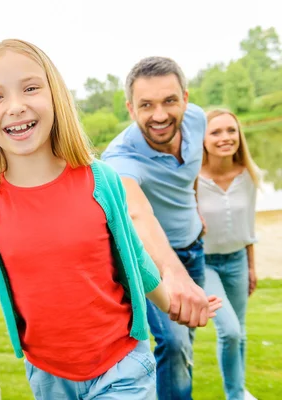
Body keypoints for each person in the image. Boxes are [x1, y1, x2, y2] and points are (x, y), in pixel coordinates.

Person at [0, 39, 219, 400]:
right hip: (48, 374)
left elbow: (134, 257)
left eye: (31, 88)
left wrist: (171, 303)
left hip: (121, 363)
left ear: (56, 96)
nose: (16, 106)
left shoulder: (100, 180)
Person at [101, 56, 213, 399]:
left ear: (186, 99)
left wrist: (194, 206)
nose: (160, 115)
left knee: (186, 340)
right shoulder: (120, 158)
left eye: (169, 101)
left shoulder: (197, 121)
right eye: (146, 105)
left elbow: (190, 173)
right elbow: (137, 213)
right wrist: (173, 274)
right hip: (156, 262)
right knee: (175, 344)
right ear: (131, 109)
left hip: (195, 247)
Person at [198, 109, 260, 400]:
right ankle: (236, 395)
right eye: (216, 132)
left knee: (241, 332)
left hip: (237, 260)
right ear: (204, 139)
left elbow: (249, 225)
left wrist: (251, 266)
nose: (226, 138)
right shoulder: (193, 179)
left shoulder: (248, 174)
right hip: (205, 265)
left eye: (231, 131)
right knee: (230, 331)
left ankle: (237, 391)